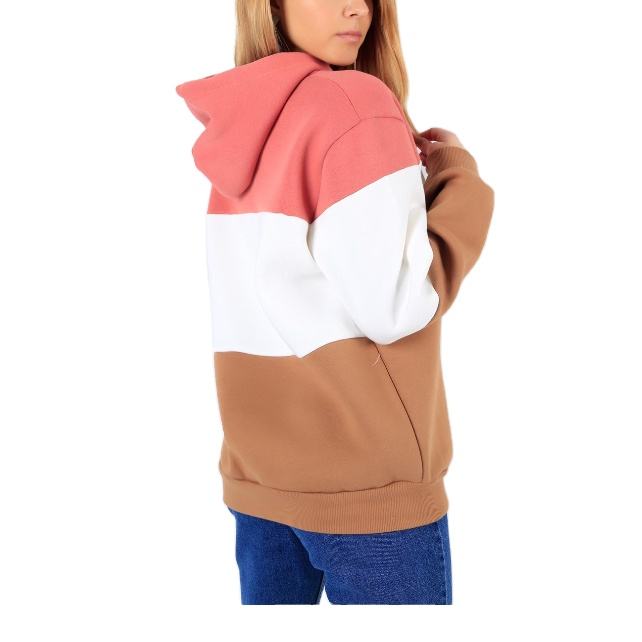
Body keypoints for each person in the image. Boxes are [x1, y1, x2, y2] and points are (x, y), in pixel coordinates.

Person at [175, 0, 494, 605]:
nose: (358, 9)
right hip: (366, 485)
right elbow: (397, 307)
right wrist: (462, 184)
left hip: (258, 479)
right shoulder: (354, 103)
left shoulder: (242, 124)